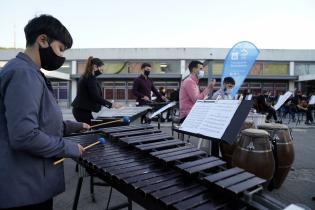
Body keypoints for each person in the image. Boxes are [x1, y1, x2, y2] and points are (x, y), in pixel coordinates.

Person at [0, 14, 89, 210]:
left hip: (26, 185)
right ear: (43, 40)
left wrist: (73, 127)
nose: (62, 56)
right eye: (60, 48)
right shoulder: (23, 73)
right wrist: (69, 148)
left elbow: (41, 121)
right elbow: (24, 135)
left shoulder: (27, 71)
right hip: (23, 190)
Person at [72, 56, 121, 124]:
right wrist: (111, 105)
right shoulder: (89, 78)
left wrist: (109, 103)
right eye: (101, 68)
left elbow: (94, 95)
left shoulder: (89, 77)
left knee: (91, 128)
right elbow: (95, 97)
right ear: (95, 67)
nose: (102, 71)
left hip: (82, 110)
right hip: (81, 111)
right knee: (91, 129)